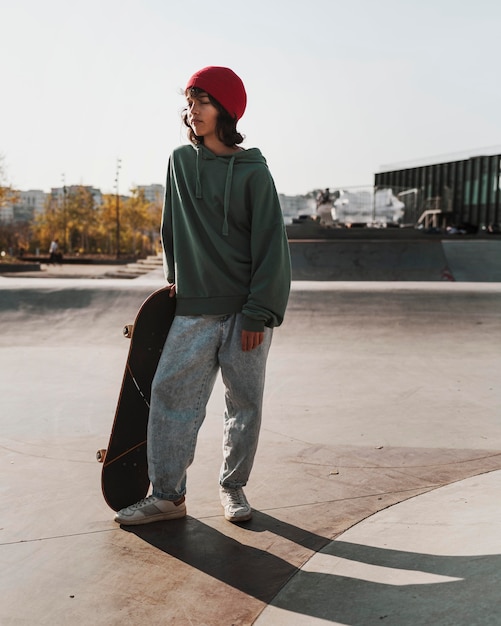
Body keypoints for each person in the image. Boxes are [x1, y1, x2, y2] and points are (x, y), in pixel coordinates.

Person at [114, 66, 291, 526]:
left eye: (203, 100)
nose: (192, 109)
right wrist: (177, 277)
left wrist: (259, 313)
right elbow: (171, 224)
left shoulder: (253, 172)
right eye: (189, 99)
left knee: (244, 404)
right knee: (171, 395)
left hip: (245, 313)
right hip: (194, 309)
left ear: (226, 110)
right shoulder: (178, 160)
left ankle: (233, 488)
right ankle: (169, 497)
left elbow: (272, 245)